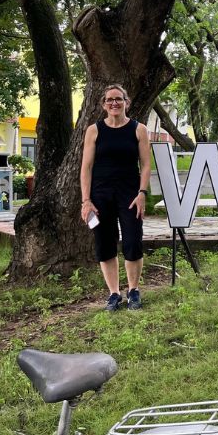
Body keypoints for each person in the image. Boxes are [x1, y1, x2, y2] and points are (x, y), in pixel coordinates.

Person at [80, 84, 151, 311]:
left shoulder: (139, 129)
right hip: (100, 195)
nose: (114, 103)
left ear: (126, 102)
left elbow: (146, 165)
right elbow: (86, 167)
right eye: (109, 100)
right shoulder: (94, 130)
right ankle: (114, 293)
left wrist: (142, 193)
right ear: (103, 104)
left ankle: (133, 290)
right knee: (105, 243)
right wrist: (86, 200)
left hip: (130, 194)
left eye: (118, 99)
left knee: (132, 241)